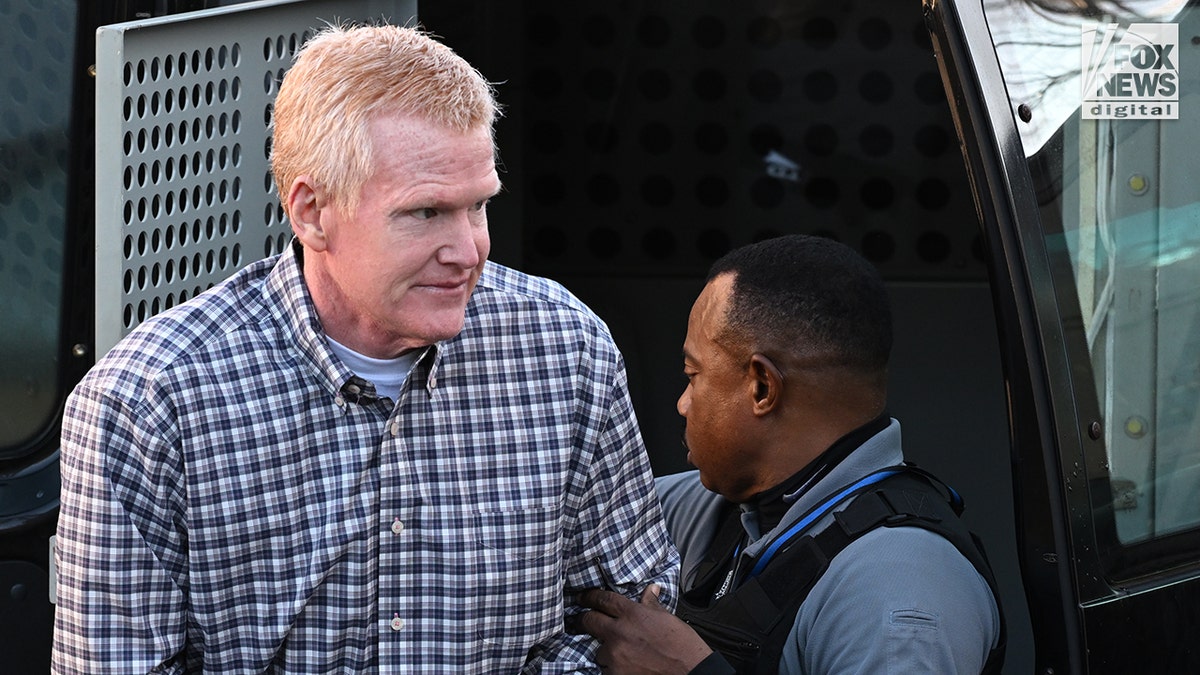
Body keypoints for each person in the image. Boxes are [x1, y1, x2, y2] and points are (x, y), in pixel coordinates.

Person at [52, 23, 677, 673]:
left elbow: (632, 623)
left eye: (478, 207)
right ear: (312, 212)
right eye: (425, 213)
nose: (468, 252)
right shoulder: (149, 401)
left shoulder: (564, 349)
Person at [575, 235, 1004, 674]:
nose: (683, 403)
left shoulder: (900, 591)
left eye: (694, 374)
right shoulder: (730, 506)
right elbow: (574, 516)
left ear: (762, 387)